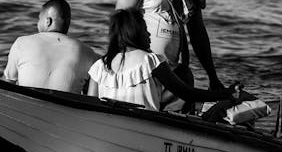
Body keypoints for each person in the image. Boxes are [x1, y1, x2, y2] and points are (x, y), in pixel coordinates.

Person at [87, 9, 237, 112]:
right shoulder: (150, 60)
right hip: (145, 128)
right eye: (145, 30)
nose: (149, 35)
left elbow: (91, 105)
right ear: (135, 33)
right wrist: (226, 94)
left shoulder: (99, 66)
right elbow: (187, 94)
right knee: (184, 74)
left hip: (110, 127)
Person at [3, 0, 99, 92]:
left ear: (48, 21)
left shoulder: (21, 43)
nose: (37, 23)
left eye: (39, 19)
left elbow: (6, 85)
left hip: (26, 104)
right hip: (65, 106)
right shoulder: (88, 53)